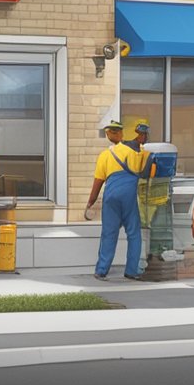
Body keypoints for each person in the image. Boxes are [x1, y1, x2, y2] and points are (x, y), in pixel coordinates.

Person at [86, 119, 146, 281]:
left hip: (110, 196)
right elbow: (144, 168)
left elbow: (98, 182)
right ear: (121, 133)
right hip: (128, 195)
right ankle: (132, 270)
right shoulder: (133, 151)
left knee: (108, 234)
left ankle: (101, 270)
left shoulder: (104, 155)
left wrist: (90, 202)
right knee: (133, 233)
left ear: (108, 135)